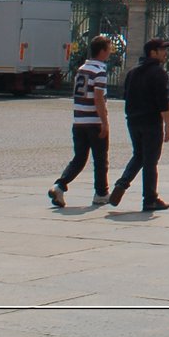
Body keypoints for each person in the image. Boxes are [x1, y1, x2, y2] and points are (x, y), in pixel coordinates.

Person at [49, 35, 115, 208]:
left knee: (79, 158)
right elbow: (99, 99)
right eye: (109, 49)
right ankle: (101, 193)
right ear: (102, 51)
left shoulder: (82, 69)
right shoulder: (99, 70)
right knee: (100, 159)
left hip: (78, 120)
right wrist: (104, 121)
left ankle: (60, 185)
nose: (110, 53)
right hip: (93, 121)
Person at [111, 37, 169, 210]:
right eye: (162, 50)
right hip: (151, 122)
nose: (165, 53)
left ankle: (122, 184)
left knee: (139, 155)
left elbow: (126, 96)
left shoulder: (133, 72)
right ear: (153, 52)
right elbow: (163, 101)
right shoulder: (158, 73)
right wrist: (167, 125)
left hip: (133, 120)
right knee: (150, 161)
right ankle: (150, 199)